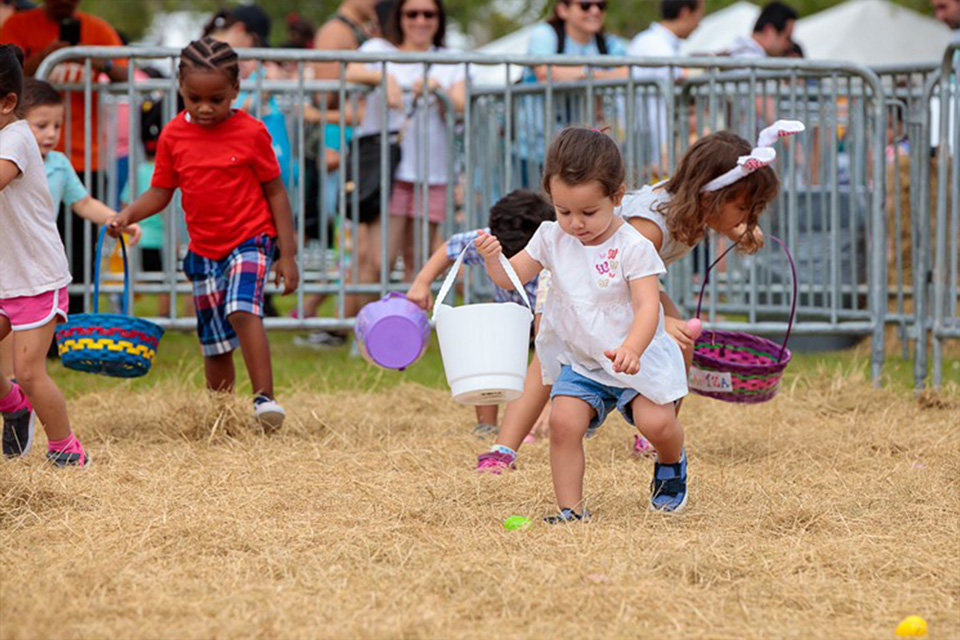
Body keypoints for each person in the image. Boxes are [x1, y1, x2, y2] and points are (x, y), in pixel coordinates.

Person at [476, 121, 801, 471]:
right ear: (712, 198)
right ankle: (505, 447)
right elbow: (624, 278)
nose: (748, 218)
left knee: (679, 342)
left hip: (613, 291)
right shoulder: (650, 226)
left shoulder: (690, 207)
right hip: (577, 283)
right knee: (551, 357)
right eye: (743, 210)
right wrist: (667, 319)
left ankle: (653, 430)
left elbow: (637, 283)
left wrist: (740, 229)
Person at [476, 127, 690, 520]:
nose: (575, 223)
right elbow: (512, 277)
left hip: (633, 357)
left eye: (588, 212)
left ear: (617, 196)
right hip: (586, 360)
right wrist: (493, 260)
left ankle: (671, 462)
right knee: (562, 421)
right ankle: (571, 510)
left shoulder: (633, 246)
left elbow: (647, 306)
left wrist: (633, 348)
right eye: (564, 211)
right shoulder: (550, 237)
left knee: (656, 423)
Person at [109, 38, 299, 430]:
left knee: (242, 308)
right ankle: (221, 415)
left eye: (217, 98)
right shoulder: (173, 136)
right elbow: (161, 191)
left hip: (250, 239)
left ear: (236, 90)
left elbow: (276, 192)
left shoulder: (252, 132)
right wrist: (128, 213)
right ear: (180, 86)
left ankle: (265, 399)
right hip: (204, 251)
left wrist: (288, 254)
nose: (205, 107)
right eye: (195, 98)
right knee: (213, 342)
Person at [0, 44, 88, 466]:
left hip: (35, 277)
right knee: (20, 382)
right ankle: (13, 406)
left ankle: (66, 450)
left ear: (7, 103)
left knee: (32, 373)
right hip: (3, 275)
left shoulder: (16, 138)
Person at [406, 189, 555, 435]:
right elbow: (451, 248)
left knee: (549, 360)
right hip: (507, 316)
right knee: (488, 354)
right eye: (506, 257)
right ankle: (486, 425)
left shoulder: (553, 246)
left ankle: (542, 416)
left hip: (551, 316)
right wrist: (421, 281)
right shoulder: (488, 244)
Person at [346, 0, 467, 283]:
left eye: (429, 14)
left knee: (420, 260)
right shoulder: (378, 50)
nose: (420, 20)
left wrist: (439, 92)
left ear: (439, 19)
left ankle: (414, 324)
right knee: (379, 260)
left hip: (432, 172)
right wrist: (383, 77)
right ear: (399, 17)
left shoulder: (450, 59)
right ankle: (373, 324)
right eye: (412, 13)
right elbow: (348, 70)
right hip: (388, 172)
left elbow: (460, 103)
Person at [21, 79, 142, 245]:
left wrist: (117, 220)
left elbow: (84, 203)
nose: (51, 134)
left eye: (57, 126)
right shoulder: (7, 160)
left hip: (44, 252)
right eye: (42, 126)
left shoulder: (60, 164)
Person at [626, 0, 704, 173]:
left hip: (651, 134)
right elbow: (678, 74)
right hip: (645, 135)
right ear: (685, 12)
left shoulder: (660, 43)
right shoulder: (651, 42)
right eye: (699, 15)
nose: (699, 24)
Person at [727, 1, 798, 58]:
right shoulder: (752, 62)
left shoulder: (733, 54)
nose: (789, 45)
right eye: (787, 38)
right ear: (769, 30)